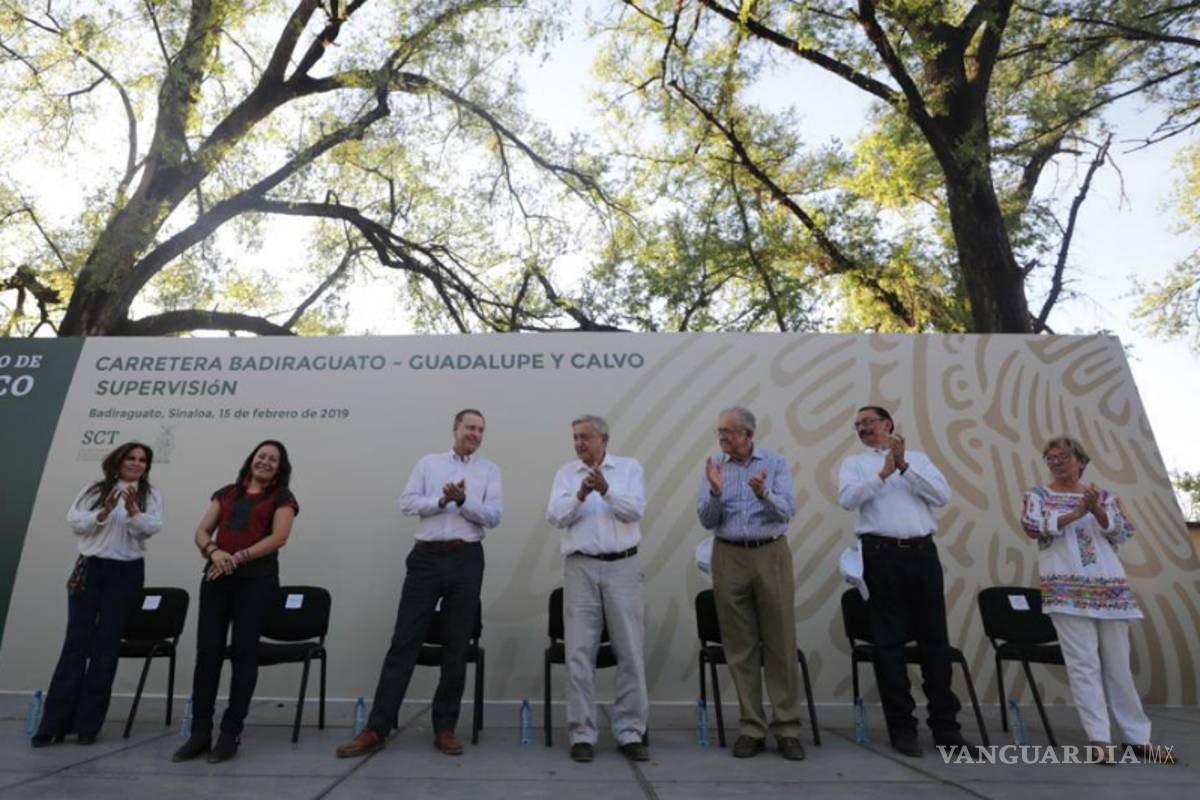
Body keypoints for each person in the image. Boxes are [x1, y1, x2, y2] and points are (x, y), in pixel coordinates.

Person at [336, 409, 502, 758]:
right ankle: (376, 728)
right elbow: (407, 503)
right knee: (404, 642)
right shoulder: (428, 463)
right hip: (426, 558)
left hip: (467, 558)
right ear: (455, 428)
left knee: (457, 645)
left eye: (481, 430)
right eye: (470, 427)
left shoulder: (489, 470)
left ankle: (445, 728)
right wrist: (441, 500)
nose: (475, 434)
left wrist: (463, 501)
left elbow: (493, 516)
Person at [1021, 436, 1175, 764]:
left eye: (1063, 456)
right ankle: (1099, 739)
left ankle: (1138, 739)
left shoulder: (1104, 497)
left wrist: (1095, 511)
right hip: (1066, 590)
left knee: (1119, 666)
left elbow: (1121, 533)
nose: (1056, 463)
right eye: (1050, 458)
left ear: (1080, 460)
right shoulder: (1038, 495)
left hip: (1110, 589)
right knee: (1084, 666)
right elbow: (1033, 527)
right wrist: (1076, 513)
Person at [837, 406, 969, 757]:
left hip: (922, 555)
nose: (863, 428)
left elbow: (941, 497)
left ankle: (946, 728)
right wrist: (882, 474)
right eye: (858, 425)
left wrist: (904, 467)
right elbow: (848, 500)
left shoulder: (919, 459)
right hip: (880, 556)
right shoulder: (855, 464)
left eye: (869, 422)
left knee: (934, 642)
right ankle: (902, 727)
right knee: (889, 644)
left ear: (888, 424)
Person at [173, 440, 298, 763]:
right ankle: (200, 732)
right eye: (261, 456)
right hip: (216, 579)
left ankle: (231, 732)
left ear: (279, 468)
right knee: (208, 652)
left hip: (257, 582)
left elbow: (279, 537)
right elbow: (201, 531)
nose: (266, 462)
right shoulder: (226, 493)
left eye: (273, 459)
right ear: (251, 460)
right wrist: (215, 552)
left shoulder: (282, 497)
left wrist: (239, 557)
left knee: (244, 654)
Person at [32, 442, 162, 747]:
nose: (136, 463)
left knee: (106, 647)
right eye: (131, 457)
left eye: (143, 460)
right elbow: (75, 522)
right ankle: (53, 724)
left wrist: (132, 512)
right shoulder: (93, 489)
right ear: (118, 460)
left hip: (126, 574)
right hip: (90, 569)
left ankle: (88, 725)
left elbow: (150, 528)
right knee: (76, 644)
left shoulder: (151, 495)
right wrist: (103, 512)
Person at [697, 407, 806, 761]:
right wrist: (714, 493)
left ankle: (787, 727)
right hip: (728, 554)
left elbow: (786, 511)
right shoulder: (715, 465)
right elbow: (706, 521)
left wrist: (763, 494)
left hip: (770, 552)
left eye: (728, 432)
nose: (723, 439)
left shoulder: (773, 463)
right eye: (720, 433)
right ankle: (751, 727)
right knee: (739, 644)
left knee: (780, 641)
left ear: (747, 434)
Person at [546, 415, 650, 763]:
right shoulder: (566, 474)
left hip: (623, 565)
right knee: (579, 653)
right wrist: (580, 494)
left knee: (630, 652)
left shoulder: (629, 468)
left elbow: (635, 510)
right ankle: (582, 734)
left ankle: (630, 731)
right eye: (575, 437)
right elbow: (556, 517)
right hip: (580, 567)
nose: (579, 443)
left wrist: (605, 490)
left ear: (604, 439)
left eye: (585, 437)